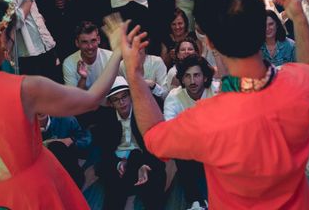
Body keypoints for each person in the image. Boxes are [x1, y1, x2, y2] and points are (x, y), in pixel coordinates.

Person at [121, 0, 309, 209]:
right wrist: (298, 16)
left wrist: (134, 75)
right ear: (262, 29)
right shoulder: (299, 84)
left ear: (209, 42)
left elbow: (153, 137)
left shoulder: (206, 119)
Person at [0, 0, 127, 209]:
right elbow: (91, 100)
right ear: (2, 37)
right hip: (27, 194)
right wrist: (118, 52)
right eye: (13, 34)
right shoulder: (24, 89)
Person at [92, 76, 166, 210]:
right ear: (110, 103)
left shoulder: (143, 113)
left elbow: (155, 146)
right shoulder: (105, 118)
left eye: (124, 96)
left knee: (143, 165)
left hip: (142, 158)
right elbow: (104, 150)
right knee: (112, 186)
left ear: (131, 96)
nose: (121, 102)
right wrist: (118, 163)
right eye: (116, 99)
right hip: (117, 162)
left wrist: (145, 163)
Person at [164, 55, 216, 208]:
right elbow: (169, 128)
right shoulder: (174, 97)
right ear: (182, 79)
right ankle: (195, 201)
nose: (192, 81)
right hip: (190, 149)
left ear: (205, 77)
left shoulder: (216, 90)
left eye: (197, 75)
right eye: (187, 76)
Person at [38, 113, 91, 188]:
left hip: (72, 176)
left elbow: (85, 139)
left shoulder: (65, 119)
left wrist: (72, 140)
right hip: (46, 181)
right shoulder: (23, 132)